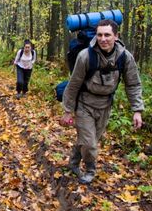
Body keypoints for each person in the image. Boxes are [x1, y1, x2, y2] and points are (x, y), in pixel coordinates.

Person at [60, 19, 144, 184]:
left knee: (88, 140)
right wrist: (68, 110)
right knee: (90, 144)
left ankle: (73, 162)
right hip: (84, 105)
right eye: (99, 35)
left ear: (116, 36)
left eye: (107, 35)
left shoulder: (125, 57)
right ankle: (90, 170)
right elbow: (74, 84)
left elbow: (133, 84)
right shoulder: (86, 56)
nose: (103, 39)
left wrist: (137, 110)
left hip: (105, 106)